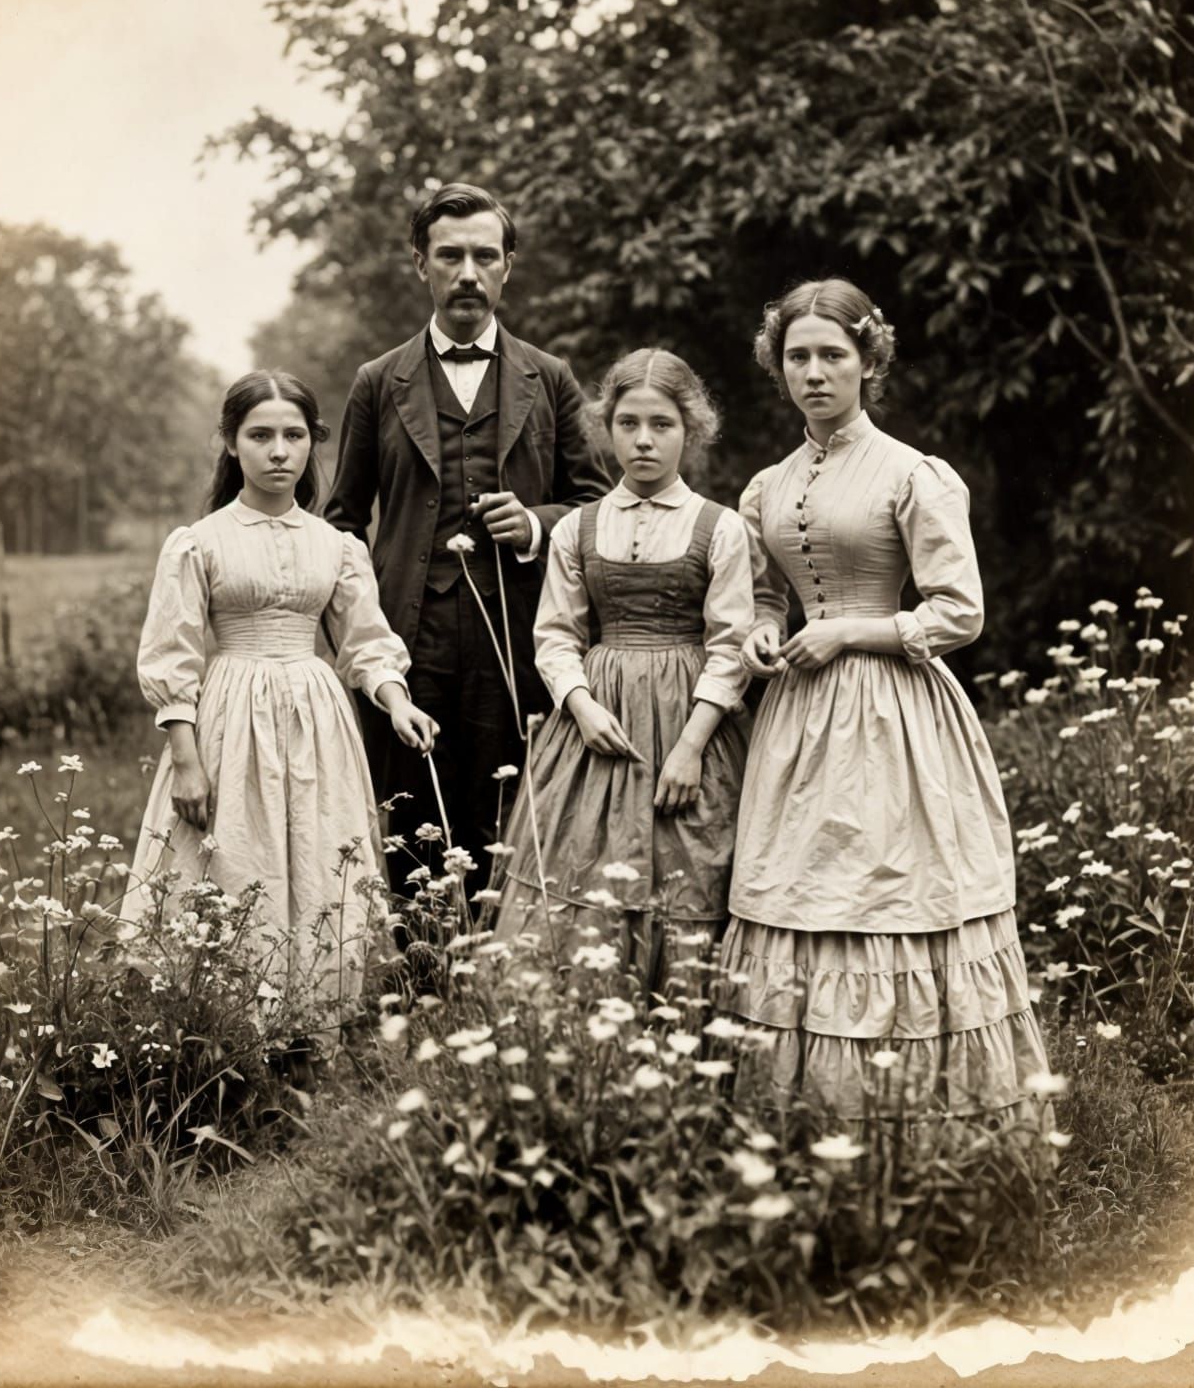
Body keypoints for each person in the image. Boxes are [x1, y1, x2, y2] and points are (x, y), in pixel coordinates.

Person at [718, 279, 1050, 1122]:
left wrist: (849, 634)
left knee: (891, 888)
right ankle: (804, 1117)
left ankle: (915, 1115)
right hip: (799, 716)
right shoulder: (764, 487)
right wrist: (766, 632)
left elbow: (959, 612)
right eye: (798, 357)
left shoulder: (913, 474)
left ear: (869, 362)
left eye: (834, 355)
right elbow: (764, 598)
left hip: (895, 710)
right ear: (777, 366)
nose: (816, 373)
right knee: (803, 890)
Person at [324, 183, 611, 895]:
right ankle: (417, 985)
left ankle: (498, 978)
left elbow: (601, 507)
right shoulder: (375, 382)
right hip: (406, 640)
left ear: (508, 265)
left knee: (508, 818)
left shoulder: (550, 380)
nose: (467, 273)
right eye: (449, 256)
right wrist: (359, 642)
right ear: (419, 263)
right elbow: (340, 522)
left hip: (517, 640)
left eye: (485, 255)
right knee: (409, 821)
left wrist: (537, 526)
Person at [125, 370, 438, 1018]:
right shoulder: (199, 543)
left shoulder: (336, 546)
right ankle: (229, 1022)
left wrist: (396, 699)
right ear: (230, 443)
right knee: (237, 855)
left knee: (317, 853)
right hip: (231, 717)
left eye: (294, 435)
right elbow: (172, 653)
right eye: (259, 435)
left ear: (313, 443)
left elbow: (364, 642)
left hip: (316, 718)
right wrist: (187, 760)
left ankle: (311, 1018)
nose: (278, 451)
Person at [492, 349, 753, 995]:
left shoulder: (720, 528)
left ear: (689, 430)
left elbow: (731, 644)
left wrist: (692, 746)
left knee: (686, 864)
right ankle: (573, 1037)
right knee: (580, 862)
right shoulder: (578, 528)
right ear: (606, 428)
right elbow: (555, 635)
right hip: (592, 726)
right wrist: (579, 704)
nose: (643, 440)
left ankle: (678, 1032)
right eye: (628, 423)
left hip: (688, 721)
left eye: (661, 424)